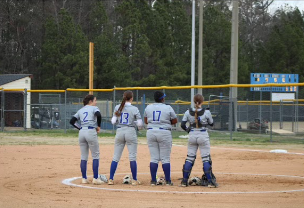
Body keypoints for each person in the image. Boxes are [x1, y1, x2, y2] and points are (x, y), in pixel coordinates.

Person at [180, 94, 218, 188]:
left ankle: (184, 181)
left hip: (192, 135)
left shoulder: (188, 111)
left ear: (194, 101)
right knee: (205, 158)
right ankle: (210, 182)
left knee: (190, 158)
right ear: (202, 101)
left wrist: (189, 130)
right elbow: (212, 123)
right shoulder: (206, 112)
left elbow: (182, 124)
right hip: (203, 134)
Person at [108, 90, 143, 186]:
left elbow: (113, 121)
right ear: (132, 98)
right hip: (130, 131)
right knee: (132, 157)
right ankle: (134, 179)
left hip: (120, 131)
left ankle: (111, 179)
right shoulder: (134, 109)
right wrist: (134, 123)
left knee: (116, 157)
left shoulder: (117, 107)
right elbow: (140, 125)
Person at [144, 91, 177, 186]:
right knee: (165, 158)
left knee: (154, 158)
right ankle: (168, 181)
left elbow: (146, 121)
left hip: (151, 131)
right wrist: (165, 121)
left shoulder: (148, 107)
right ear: (162, 99)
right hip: (164, 132)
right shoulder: (168, 107)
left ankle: (153, 180)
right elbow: (175, 120)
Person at [70, 94, 103, 185]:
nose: (96, 102)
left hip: (82, 132)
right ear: (91, 101)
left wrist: (80, 128)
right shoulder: (94, 108)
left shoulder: (81, 110)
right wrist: (99, 126)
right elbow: (98, 115)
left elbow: (72, 121)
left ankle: (84, 178)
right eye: (95, 100)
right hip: (91, 131)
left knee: (84, 156)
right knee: (95, 155)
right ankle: (95, 178)